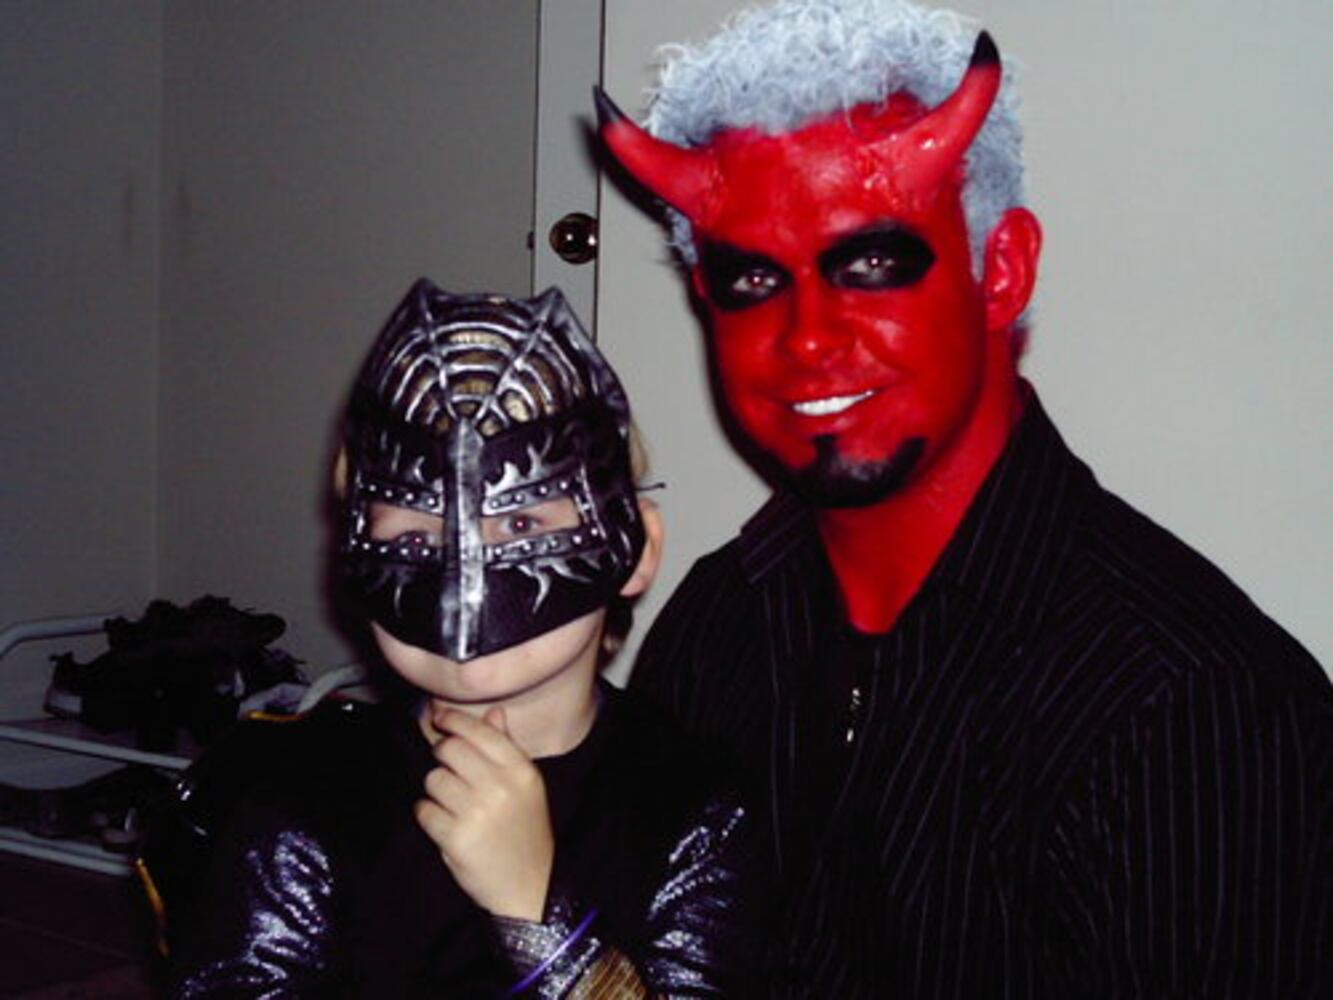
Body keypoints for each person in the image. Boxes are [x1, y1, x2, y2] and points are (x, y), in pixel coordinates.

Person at [596, 0, 1333, 995]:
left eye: (870, 265)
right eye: (751, 282)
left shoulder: (1194, 710)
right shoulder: (712, 628)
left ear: (1002, 272)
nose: (807, 337)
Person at [148, 281, 764, 997]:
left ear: (634, 549)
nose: (463, 572)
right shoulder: (308, 793)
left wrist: (537, 916)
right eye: (414, 535)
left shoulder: (692, 805)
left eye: (523, 523)